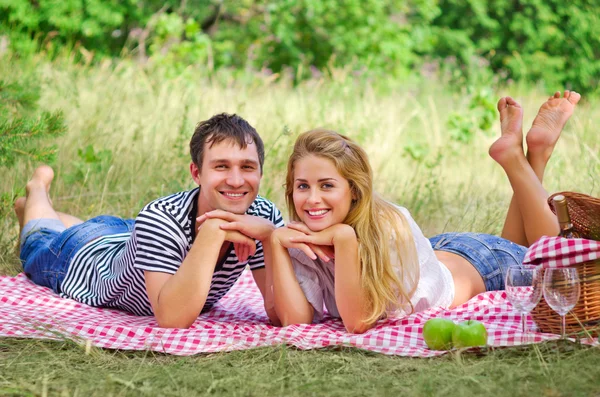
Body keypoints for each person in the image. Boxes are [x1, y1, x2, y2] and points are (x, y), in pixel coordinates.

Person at [268, 91, 581, 333]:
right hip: (442, 251)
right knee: (522, 248)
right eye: (302, 186)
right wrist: (274, 241)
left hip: (483, 265)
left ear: (354, 190)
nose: (312, 199)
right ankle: (535, 153)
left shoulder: (389, 224)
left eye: (326, 186)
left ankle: (521, 156)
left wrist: (345, 238)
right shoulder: (302, 235)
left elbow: (357, 323)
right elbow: (296, 320)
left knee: (550, 261)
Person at [14, 113, 284, 328]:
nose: (236, 181)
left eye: (247, 167)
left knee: (91, 230)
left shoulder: (263, 217)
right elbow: (172, 318)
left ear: (261, 172)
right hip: (82, 257)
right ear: (197, 173)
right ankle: (36, 192)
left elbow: (280, 314)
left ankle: (53, 214)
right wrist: (214, 231)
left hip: (128, 236)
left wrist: (271, 238)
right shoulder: (161, 219)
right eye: (221, 166)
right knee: (38, 241)